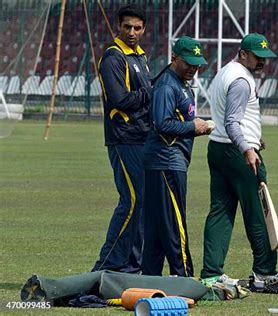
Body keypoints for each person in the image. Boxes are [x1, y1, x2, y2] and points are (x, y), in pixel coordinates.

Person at [201, 33, 278, 284]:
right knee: (258, 212)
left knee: (220, 212)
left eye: (265, 57)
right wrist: (248, 148)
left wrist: (252, 137)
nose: (262, 62)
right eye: (257, 57)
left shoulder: (225, 72)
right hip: (238, 154)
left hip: (217, 148)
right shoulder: (242, 80)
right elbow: (232, 122)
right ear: (243, 54)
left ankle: (211, 273)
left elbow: (227, 119)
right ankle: (265, 272)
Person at [141, 36, 211, 277]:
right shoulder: (168, 86)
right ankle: (184, 277)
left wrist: (197, 126)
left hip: (169, 162)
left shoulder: (180, 82)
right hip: (166, 163)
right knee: (174, 223)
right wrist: (194, 127)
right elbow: (162, 123)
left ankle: (149, 277)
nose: (194, 68)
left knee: (157, 226)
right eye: (189, 62)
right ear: (174, 58)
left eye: (197, 63)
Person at [92, 5, 151, 273]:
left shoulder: (140, 56)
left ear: (144, 29)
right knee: (132, 200)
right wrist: (151, 93)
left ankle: (132, 266)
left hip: (142, 138)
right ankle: (107, 265)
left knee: (141, 203)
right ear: (119, 26)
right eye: (127, 27)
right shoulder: (113, 58)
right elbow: (120, 100)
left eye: (137, 28)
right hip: (123, 139)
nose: (132, 32)